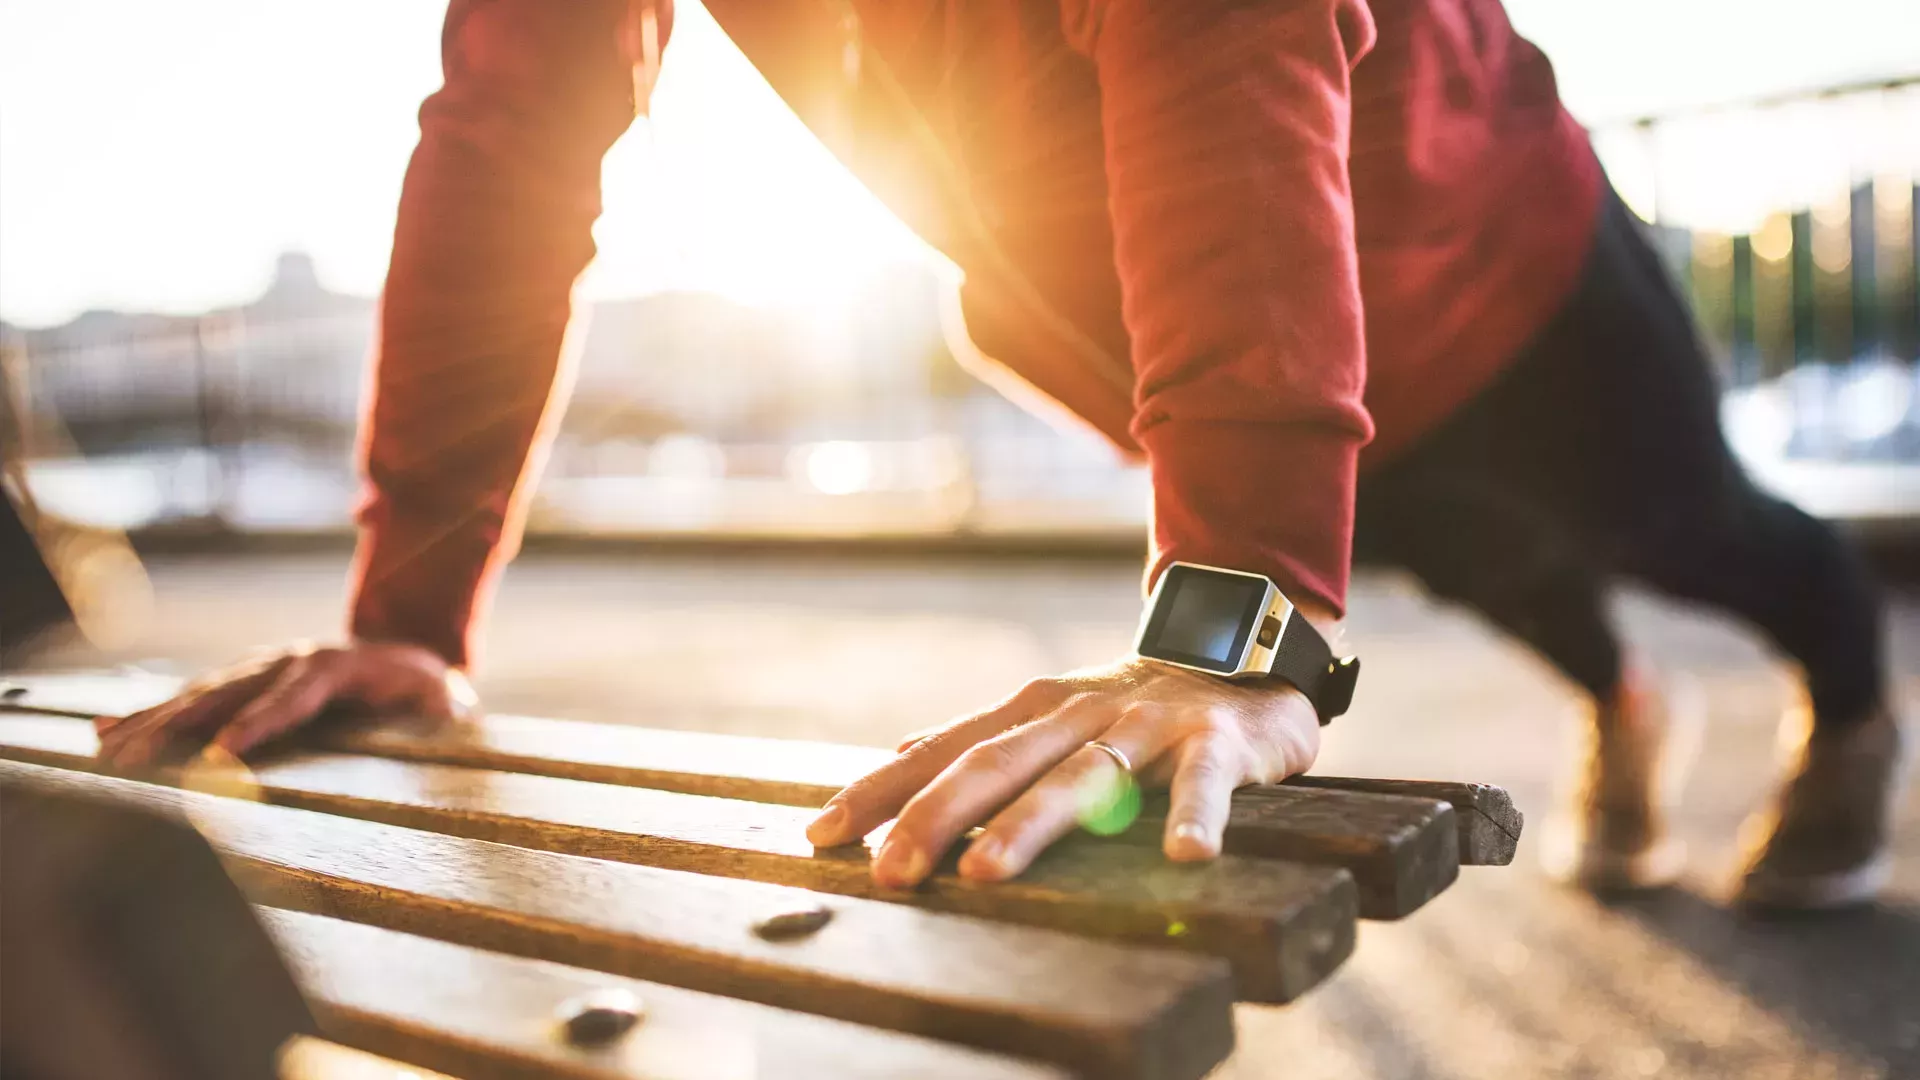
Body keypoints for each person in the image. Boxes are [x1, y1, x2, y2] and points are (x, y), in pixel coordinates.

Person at [96, 0, 1905, 909]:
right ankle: (1621, 706)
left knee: (1691, 524)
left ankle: (1848, 692)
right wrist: (412, 612)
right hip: (1207, 329)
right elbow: (505, 145)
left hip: (1476, 241)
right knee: (1476, 564)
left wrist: (1240, 608)